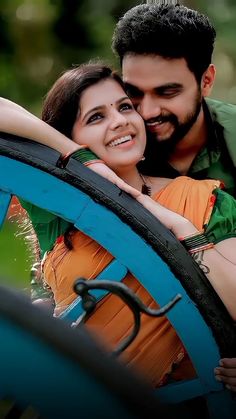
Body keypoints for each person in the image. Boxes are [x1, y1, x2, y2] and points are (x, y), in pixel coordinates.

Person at [17, 62, 234, 388]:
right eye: (96, 117)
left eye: (125, 108)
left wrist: (183, 229)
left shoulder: (203, 201)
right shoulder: (58, 207)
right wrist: (76, 156)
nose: (120, 121)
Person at [112, 2, 236, 198]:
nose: (147, 112)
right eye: (133, 92)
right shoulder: (111, 138)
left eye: (167, 92)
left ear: (206, 81)